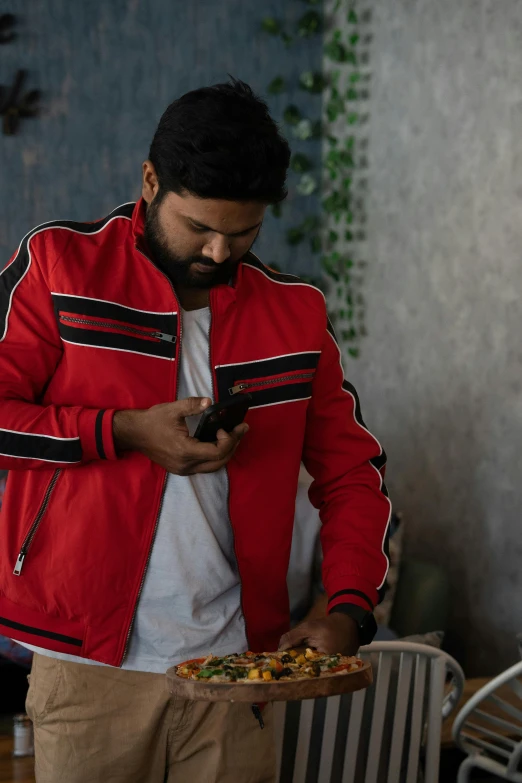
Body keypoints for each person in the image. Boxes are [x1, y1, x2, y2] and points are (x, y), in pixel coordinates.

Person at [0, 79, 391, 783]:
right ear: (150, 182)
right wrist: (121, 431)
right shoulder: (60, 267)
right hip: (90, 673)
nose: (217, 251)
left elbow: (353, 474)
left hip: (238, 671)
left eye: (242, 233)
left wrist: (350, 609)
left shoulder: (296, 314)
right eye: (199, 226)